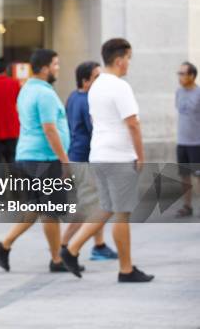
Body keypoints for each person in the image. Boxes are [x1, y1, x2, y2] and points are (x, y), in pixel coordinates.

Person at [61, 38, 154, 283]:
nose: (129, 64)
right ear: (120, 59)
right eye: (129, 59)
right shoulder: (119, 86)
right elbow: (132, 123)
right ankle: (126, 269)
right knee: (122, 214)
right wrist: (140, 156)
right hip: (119, 157)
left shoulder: (97, 85)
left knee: (106, 207)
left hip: (99, 154)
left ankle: (70, 249)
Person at [0, 49, 74, 273]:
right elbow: (49, 129)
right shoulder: (45, 93)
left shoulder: (26, 89)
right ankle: (56, 260)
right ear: (45, 67)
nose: (58, 68)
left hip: (27, 156)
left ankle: (4, 245)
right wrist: (65, 160)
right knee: (51, 210)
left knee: (36, 207)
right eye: (56, 64)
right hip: (44, 159)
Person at [61, 61, 118, 261]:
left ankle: (99, 246)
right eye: (96, 77)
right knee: (89, 207)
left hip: (78, 157)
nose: (100, 80)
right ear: (85, 81)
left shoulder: (73, 97)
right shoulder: (87, 101)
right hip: (84, 159)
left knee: (95, 204)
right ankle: (64, 245)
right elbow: (95, 131)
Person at [174, 61, 200, 217]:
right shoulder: (178, 92)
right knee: (184, 176)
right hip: (182, 142)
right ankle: (187, 206)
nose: (180, 77)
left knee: (198, 176)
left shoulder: (199, 93)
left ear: (192, 76)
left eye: (183, 73)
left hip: (196, 143)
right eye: (179, 73)